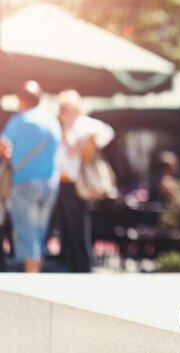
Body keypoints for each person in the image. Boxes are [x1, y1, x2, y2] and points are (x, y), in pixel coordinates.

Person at [0, 81, 61, 273]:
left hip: (25, 183)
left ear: (21, 99)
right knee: (40, 234)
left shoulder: (20, 121)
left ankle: (32, 282)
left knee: (27, 235)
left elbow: (3, 146)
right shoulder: (52, 120)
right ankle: (36, 276)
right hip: (50, 183)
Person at [53, 89, 114, 272]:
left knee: (78, 228)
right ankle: (70, 267)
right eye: (62, 108)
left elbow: (107, 134)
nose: (64, 112)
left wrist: (85, 140)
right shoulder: (62, 127)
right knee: (66, 229)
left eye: (68, 108)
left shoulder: (84, 125)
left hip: (77, 185)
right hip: (61, 183)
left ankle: (83, 268)